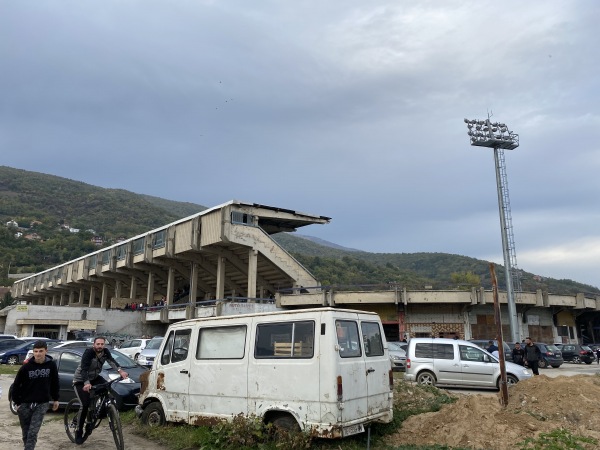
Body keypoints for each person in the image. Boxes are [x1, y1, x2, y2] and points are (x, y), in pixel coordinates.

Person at [72, 336, 128, 444]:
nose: (100, 346)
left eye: (102, 344)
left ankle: (98, 413)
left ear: (104, 345)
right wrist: (86, 383)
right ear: (94, 344)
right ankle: (78, 431)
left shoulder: (105, 352)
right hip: (81, 380)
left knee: (107, 387)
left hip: (94, 378)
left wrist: (121, 371)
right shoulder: (89, 353)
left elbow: (112, 361)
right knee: (85, 404)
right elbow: (84, 369)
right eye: (98, 344)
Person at [12, 340, 59, 450]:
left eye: (41, 351)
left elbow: (55, 382)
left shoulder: (51, 365)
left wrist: (56, 399)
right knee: (26, 432)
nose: (38, 354)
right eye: (36, 351)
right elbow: (16, 385)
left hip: (41, 403)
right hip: (25, 404)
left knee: (33, 432)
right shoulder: (26, 367)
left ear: (46, 351)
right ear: (33, 352)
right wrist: (17, 402)